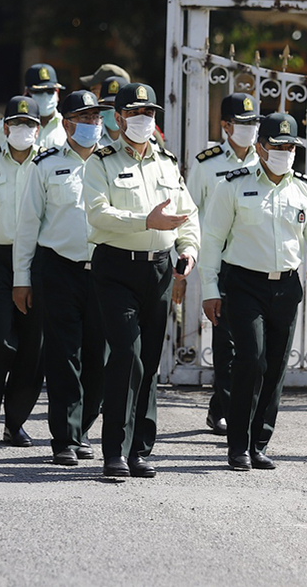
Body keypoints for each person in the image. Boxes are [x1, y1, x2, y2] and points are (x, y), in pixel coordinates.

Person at [200, 112, 307, 471]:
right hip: (244, 284)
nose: (285, 153)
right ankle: (238, 444)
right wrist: (210, 289)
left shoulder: (305, 190)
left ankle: (258, 442)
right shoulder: (233, 185)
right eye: (277, 146)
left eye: (290, 147)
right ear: (260, 147)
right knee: (251, 359)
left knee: (274, 367)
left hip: (286, 287)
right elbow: (212, 239)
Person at [84, 82, 199, 478]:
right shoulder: (101, 162)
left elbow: (187, 214)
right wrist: (145, 221)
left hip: (159, 269)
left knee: (149, 360)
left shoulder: (166, 162)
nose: (143, 120)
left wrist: (188, 249)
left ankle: (139, 450)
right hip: (116, 267)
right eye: (135, 113)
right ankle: (114, 450)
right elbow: (97, 214)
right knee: (126, 355)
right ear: (118, 119)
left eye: (148, 113)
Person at [13, 90, 109, 465]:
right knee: (64, 356)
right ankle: (65, 438)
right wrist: (22, 279)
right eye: (84, 119)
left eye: (96, 118)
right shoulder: (46, 164)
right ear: (67, 125)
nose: (93, 125)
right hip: (59, 269)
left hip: (105, 271)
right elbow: (28, 225)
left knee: (99, 357)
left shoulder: (111, 162)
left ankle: (83, 427)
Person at [185, 92, 261, 436]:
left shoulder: (266, 159)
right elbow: (191, 210)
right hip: (221, 262)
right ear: (226, 126)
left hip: (255, 259)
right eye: (242, 123)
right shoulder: (207, 164)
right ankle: (229, 410)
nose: (250, 129)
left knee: (252, 343)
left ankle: (222, 407)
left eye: (254, 122)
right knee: (226, 340)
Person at [0, 96, 45, 447]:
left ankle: (15, 420)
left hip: (36, 258)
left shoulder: (47, 162)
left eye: (30, 124)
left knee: (32, 345)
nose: (23, 130)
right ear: (5, 127)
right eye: (17, 123)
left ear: (39, 130)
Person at [0, 64, 67, 151]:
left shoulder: (68, 126)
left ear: (57, 92)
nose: (45, 96)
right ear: (26, 93)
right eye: (39, 91)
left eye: (50, 91)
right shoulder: (7, 127)